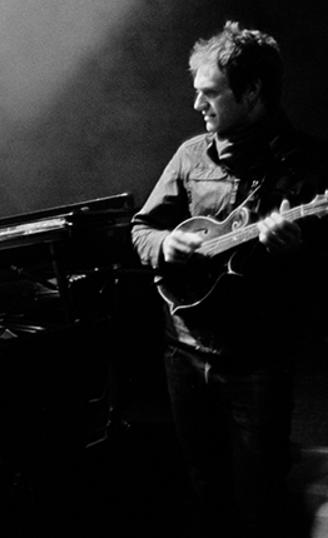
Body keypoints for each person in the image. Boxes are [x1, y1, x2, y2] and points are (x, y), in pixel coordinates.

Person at [131, 21, 327, 538]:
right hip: (185, 351)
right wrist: (165, 244)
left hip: (257, 362)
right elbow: (142, 227)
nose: (197, 105)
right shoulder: (191, 154)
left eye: (210, 93)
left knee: (259, 502)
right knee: (202, 492)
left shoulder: (307, 164)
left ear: (253, 91)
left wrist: (297, 248)